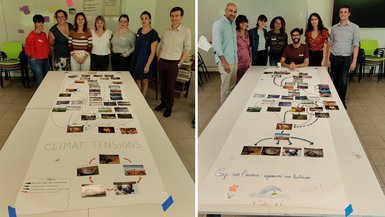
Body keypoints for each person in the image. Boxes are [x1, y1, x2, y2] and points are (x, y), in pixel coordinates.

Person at [156, 7, 192, 117]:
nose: (174, 18)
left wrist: (179, 64)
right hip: (162, 61)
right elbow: (162, 46)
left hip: (174, 63)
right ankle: (163, 103)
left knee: (170, 87)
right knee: (162, 85)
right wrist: (159, 58)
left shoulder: (186, 31)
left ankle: (169, 107)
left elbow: (187, 49)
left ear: (181, 17)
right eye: (172, 16)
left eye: (176, 16)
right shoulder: (166, 31)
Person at [327, 5, 360, 107]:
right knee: (335, 81)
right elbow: (330, 43)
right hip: (334, 58)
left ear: (349, 14)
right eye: (341, 12)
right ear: (339, 14)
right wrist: (328, 58)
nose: (343, 14)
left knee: (344, 82)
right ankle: (335, 100)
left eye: (345, 12)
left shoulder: (355, 27)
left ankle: (342, 101)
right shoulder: (334, 28)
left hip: (346, 59)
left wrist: (354, 61)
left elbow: (356, 45)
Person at [212, 3, 238, 104]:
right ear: (225, 10)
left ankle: (230, 106)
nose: (233, 13)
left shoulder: (232, 24)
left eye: (235, 12)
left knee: (232, 86)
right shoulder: (218, 24)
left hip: (234, 61)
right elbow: (217, 46)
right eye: (230, 11)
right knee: (225, 88)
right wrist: (224, 62)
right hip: (225, 62)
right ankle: (223, 109)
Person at [131, 11, 159, 97]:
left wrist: (147, 65)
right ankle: (138, 97)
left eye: (146, 18)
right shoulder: (139, 30)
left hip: (147, 61)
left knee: (145, 80)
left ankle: (143, 99)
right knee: (138, 79)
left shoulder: (153, 33)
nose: (144, 20)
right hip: (138, 59)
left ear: (150, 19)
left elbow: (153, 52)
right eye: (142, 19)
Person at [25, 14, 50, 86]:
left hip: (45, 60)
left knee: (46, 80)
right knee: (40, 81)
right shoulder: (31, 35)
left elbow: (46, 45)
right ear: (35, 23)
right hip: (36, 61)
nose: (41, 24)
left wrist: (48, 53)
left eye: (42, 22)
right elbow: (27, 48)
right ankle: (41, 96)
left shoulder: (44, 34)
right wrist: (32, 57)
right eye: (39, 22)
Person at [235, 15, 251, 83]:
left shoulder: (247, 33)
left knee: (247, 80)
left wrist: (250, 60)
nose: (243, 24)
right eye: (241, 22)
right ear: (238, 24)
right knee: (239, 81)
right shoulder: (235, 34)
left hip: (248, 60)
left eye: (245, 22)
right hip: (239, 62)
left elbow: (249, 47)